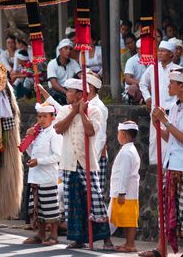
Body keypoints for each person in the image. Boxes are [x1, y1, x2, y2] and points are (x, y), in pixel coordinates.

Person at [143, 68, 183, 257]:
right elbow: (170, 137)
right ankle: (162, 249)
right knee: (167, 207)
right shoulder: (176, 106)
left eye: (171, 83)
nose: (168, 86)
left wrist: (165, 121)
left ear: (182, 86)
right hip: (173, 163)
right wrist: (157, 123)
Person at [53, 78, 113, 250]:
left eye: (70, 91)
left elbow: (90, 131)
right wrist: (74, 112)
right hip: (69, 162)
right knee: (74, 201)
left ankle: (105, 238)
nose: (67, 94)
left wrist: (82, 113)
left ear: (79, 94)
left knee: (95, 200)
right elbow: (58, 129)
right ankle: (78, 238)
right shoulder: (64, 110)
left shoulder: (94, 111)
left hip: (86, 162)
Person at [22, 103, 62, 245]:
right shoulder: (38, 133)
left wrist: (39, 161)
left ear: (52, 117)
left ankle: (54, 235)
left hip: (47, 177)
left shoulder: (54, 134)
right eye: (39, 116)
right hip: (35, 176)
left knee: (50, 208)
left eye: (45, 116)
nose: (41, 119)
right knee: (37, 208)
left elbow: (57, 156)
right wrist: (28, 140)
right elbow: (31, 152)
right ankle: (39, 234)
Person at [139, 41, 180, 165]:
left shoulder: (177, 69)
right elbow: (142, 83)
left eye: (163, 51)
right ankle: (155, 169)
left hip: (171, 110)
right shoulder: (152, 67)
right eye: (159, 50)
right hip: (155, 111)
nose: (160, 53)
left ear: (171, 54)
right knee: (155, 140)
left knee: (169, 140)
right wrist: (147, 98)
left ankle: (168, 168)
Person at [108, 121, 141, 253]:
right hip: (125, 191)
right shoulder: (128, 150)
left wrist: (121, 192)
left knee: (129, 220)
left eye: (119, 133)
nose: (118, 135)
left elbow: (124, 174)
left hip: (124, 192)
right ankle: (128, 243)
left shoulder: (127, 152)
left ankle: (130, 244)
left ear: (125, 134)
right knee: (127, 219)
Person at [46, 39, 81, 105]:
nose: (68, 51)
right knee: (53, 93)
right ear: (60, 50)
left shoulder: (73, 62)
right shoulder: (52, 64)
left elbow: (80, 74)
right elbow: (54, 84)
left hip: (69, 89)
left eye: (70, 49)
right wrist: (67, 92)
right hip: (58, 90)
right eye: (66, 48)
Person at [124, 40, 147, 104]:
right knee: (133, 88)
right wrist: (143, 84)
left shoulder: (152, 60)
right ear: (137, 50)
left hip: (148, 87)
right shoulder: (131, 61)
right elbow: (128, 79)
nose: (143, 50)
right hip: (137, 87)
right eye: (141, 49)